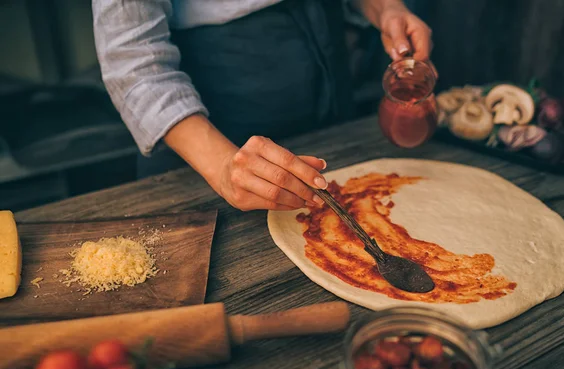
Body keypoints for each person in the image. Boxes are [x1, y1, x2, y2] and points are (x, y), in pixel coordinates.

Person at [92, 0, 433, 211]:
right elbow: (132, 60)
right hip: (213, 124)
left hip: (330, 80)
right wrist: (225, 167)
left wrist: (386, 7)